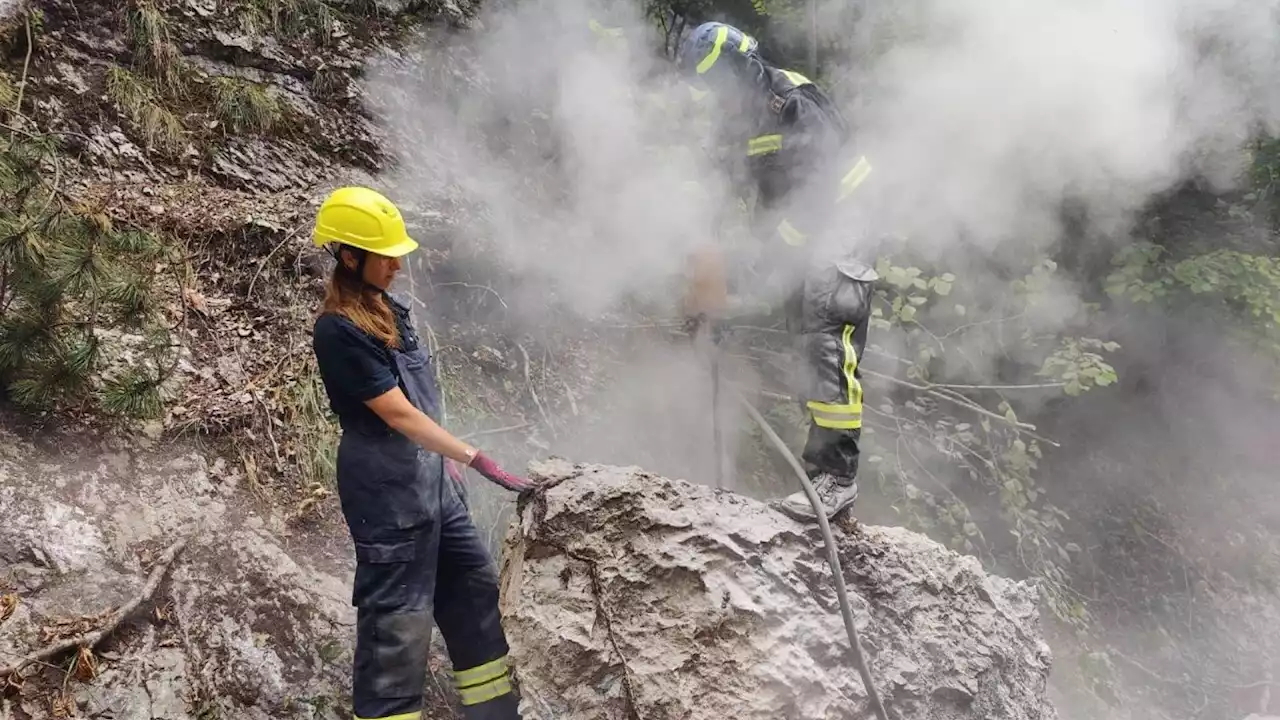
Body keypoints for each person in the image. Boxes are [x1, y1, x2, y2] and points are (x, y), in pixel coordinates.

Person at [309, 186, 534, 720]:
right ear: (349, 256)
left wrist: (447, 459)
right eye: (385, 256)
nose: (397, 265)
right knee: (398, 623)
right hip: (386, 492)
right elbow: (398, 414)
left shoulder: (391, 311)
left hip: (432, 482)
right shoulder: (337, 331)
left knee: (473, 590)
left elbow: (424, 401)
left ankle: (494, 713)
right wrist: (473, 455)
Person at [675, 21, 879, 523]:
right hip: (803, 230)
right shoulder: (739, 121)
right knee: (804, 337)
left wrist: (771, 253)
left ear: (744, 69)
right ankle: (823, 480)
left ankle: (838, 479)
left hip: (842, 223)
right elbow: (726, 197)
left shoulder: (791, 101)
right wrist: (715, 291)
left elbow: (820, 190)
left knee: (826, 333)